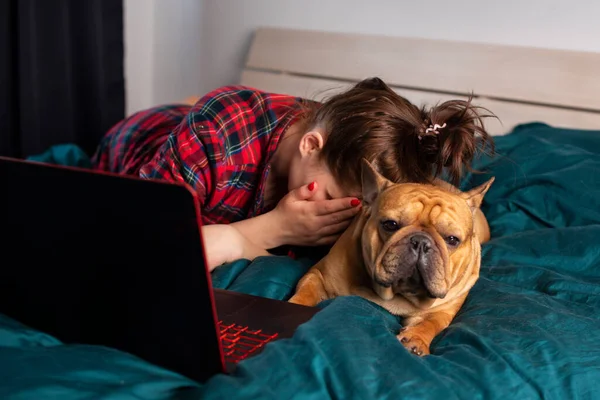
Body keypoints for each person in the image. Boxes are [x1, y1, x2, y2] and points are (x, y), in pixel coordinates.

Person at [92, 77, 494, 270]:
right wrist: (271, 230)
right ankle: (185, 102)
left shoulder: (386, 160)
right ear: (311, 145)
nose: (338, 212)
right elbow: (140, 245)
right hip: (141, 139)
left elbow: (473, 223)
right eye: (335, 195)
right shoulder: (220, 131)